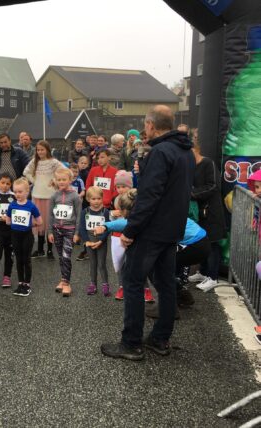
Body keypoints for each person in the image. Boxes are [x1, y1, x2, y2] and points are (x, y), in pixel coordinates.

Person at [101, 105, 195, 361]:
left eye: (146, 125)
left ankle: (131, 343)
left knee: (132, 281)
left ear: (151, 125)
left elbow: (148, 196)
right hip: (172, 228)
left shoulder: (161, 152)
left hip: (152, 230)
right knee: (165, 284)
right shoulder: (185, 151)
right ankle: (160, 338)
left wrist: (131, 230)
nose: (145, 129)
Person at [187, 133, 227, 293]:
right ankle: (203, 272)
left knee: (213, 243)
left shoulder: (208, 163)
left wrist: (192, 193)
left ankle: (213, 277)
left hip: (212, 210)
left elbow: (213, 186)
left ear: (195, 150)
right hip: (199, 211)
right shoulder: (191, 167)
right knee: (203, 241)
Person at [107, 171, 153, 303]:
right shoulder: (115, 199)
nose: (120, 189)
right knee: (120, 263)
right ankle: (122, 287)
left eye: (124, 186)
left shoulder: (135, 198)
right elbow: (110, 217)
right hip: (117, 236)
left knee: (137, 263)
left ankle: (146, 289)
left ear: (130, 186)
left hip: (133, 235)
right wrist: (112, 214)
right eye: (118, 187)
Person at [3, 178, 42, 297]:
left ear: (27, 192)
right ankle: (20, 283)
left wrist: (30, 224)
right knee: (18, 260)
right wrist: (9, 220)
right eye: (15, 192)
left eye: (20, 192)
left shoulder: (31, 206)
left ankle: (27, 285)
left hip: (27, 236)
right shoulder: (12, 205)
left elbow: (40, 221)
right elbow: (8, 222)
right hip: (15, 235)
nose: (17, 194)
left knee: (26, 260)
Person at [23, 140, 63, 258]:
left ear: (47, 150)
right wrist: (35, 181)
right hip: (37, 196)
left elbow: (66, 172)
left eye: (42, 149)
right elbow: (26, 172)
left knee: (50, 223)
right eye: (38, 150)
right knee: (39, 224)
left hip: (50, 197)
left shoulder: (54, 162)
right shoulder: (34, 161)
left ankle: (50, 250)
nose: (40, 152)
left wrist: (55, 181)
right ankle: (40, 250)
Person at [49, 168, 82, 297]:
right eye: (59, 180)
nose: (61, 182)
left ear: (70, 180)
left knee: (66, 256)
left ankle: (67, 283)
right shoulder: (54, 196)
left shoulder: (75, 196)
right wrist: (50, 231)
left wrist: (77, 233)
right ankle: (63, 279)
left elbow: (79, 216)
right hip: (57, 230)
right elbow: (50, 215)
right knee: (61, 257)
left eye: (64, 179)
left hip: (70, 230)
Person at [76, 186, 111, 296]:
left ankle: (105, 284)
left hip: (101, 242)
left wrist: (101, 240)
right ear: (88, 199)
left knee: (101, 264)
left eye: (99, 198)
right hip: (90, 242)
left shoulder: (105, 212)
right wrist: (87, 241)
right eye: (93, 199)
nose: (96, 201)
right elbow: (82, 228)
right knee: (92, 263)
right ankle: (93, 284)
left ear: (102, 198)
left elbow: (108, 228)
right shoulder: (85, 212)